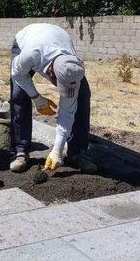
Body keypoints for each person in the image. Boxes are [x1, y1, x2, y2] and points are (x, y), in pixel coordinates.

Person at [9, 23, 97, 174]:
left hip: (57, 39)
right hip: (26, 40)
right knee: (19, 94)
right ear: (50, 72)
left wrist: (57, 150)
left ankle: (76, 152)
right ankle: (21, 151)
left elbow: (67, 112)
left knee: (82, 97)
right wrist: (36, 97)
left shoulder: (74, 67)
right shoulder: (32, 53)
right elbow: (17, 74)